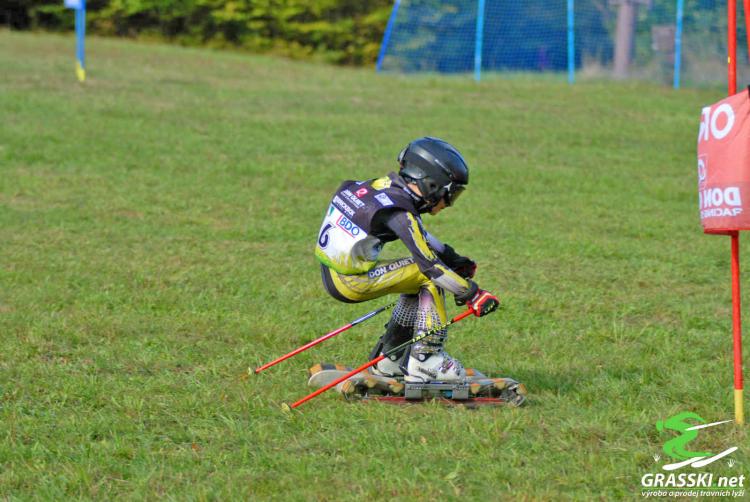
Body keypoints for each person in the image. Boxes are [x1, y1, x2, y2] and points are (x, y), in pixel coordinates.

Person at [314, 137, 500, 383]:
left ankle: (390, 359)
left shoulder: (382, 189)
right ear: (432, 185)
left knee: (416, 281)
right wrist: (472, 294)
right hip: (350, 282)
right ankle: (427, 360)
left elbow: (420, 236)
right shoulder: (400, 212)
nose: (450, 204)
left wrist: (453, 258)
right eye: (452, 194)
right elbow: (430, 265)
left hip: (335, 273)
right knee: (430, 276)